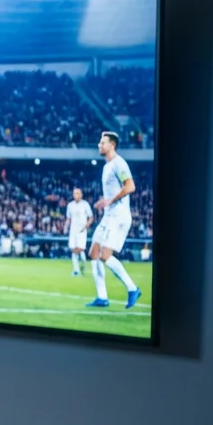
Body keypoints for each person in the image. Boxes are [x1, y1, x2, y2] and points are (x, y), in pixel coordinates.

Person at [86, 131, 141, 309]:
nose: (99, 145)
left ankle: (132, 288)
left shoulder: (119, 163)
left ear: (112, 145)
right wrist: (106, 201)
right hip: (109, 214)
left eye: (102, 143)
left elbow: (130, 186)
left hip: (119, 215)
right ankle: (102, 298)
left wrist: (110, 200)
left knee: (105, 256)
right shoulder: (107, 166)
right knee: (93, 253)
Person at [66, 187, 93, 276]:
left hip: (81, 231)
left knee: (80, 249)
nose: (76, 195)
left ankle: (83, 266)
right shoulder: (70, 205)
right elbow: (68, 218)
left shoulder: (85, 204)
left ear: (81, 194)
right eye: (74, 193)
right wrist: (66, 226)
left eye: (78, 193)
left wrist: (86, 226)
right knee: (73, 250)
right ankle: (76, 270)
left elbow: (91, 217)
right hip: (73, 231)